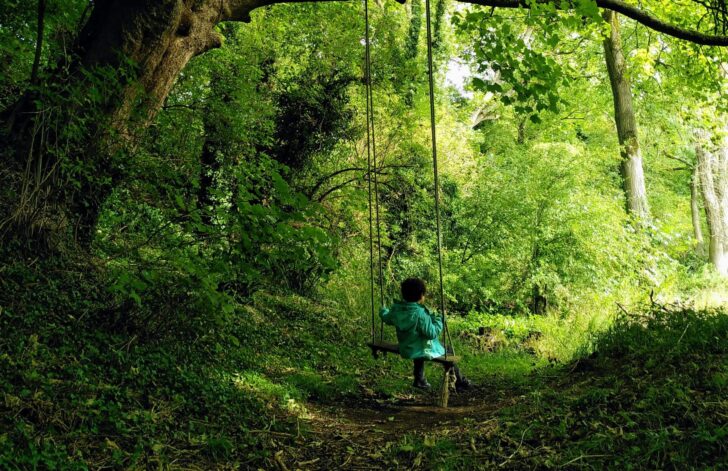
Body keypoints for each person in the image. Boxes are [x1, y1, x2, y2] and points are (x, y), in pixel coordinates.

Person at [379, 278, 472, 390]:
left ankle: (420, 379)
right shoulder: (420, 314)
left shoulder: (396, 309)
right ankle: (459, 381)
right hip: (419, 348)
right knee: (447, 350)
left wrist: (383, 310)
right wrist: (439, 319)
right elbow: (431, 333)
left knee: (418, 343)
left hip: (406, 347)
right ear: (421, 295)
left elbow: (386, 317)